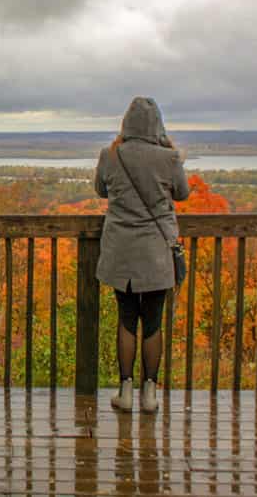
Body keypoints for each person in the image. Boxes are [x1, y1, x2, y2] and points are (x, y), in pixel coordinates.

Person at [94, 97, 189, 413]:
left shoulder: (110, 156)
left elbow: (100, 190)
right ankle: (150, 394)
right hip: (156, 253)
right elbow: (183, 193)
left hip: (121, 250)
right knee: (152, 322)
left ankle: (125, 391)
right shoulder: (169, 158)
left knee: (126, 319)